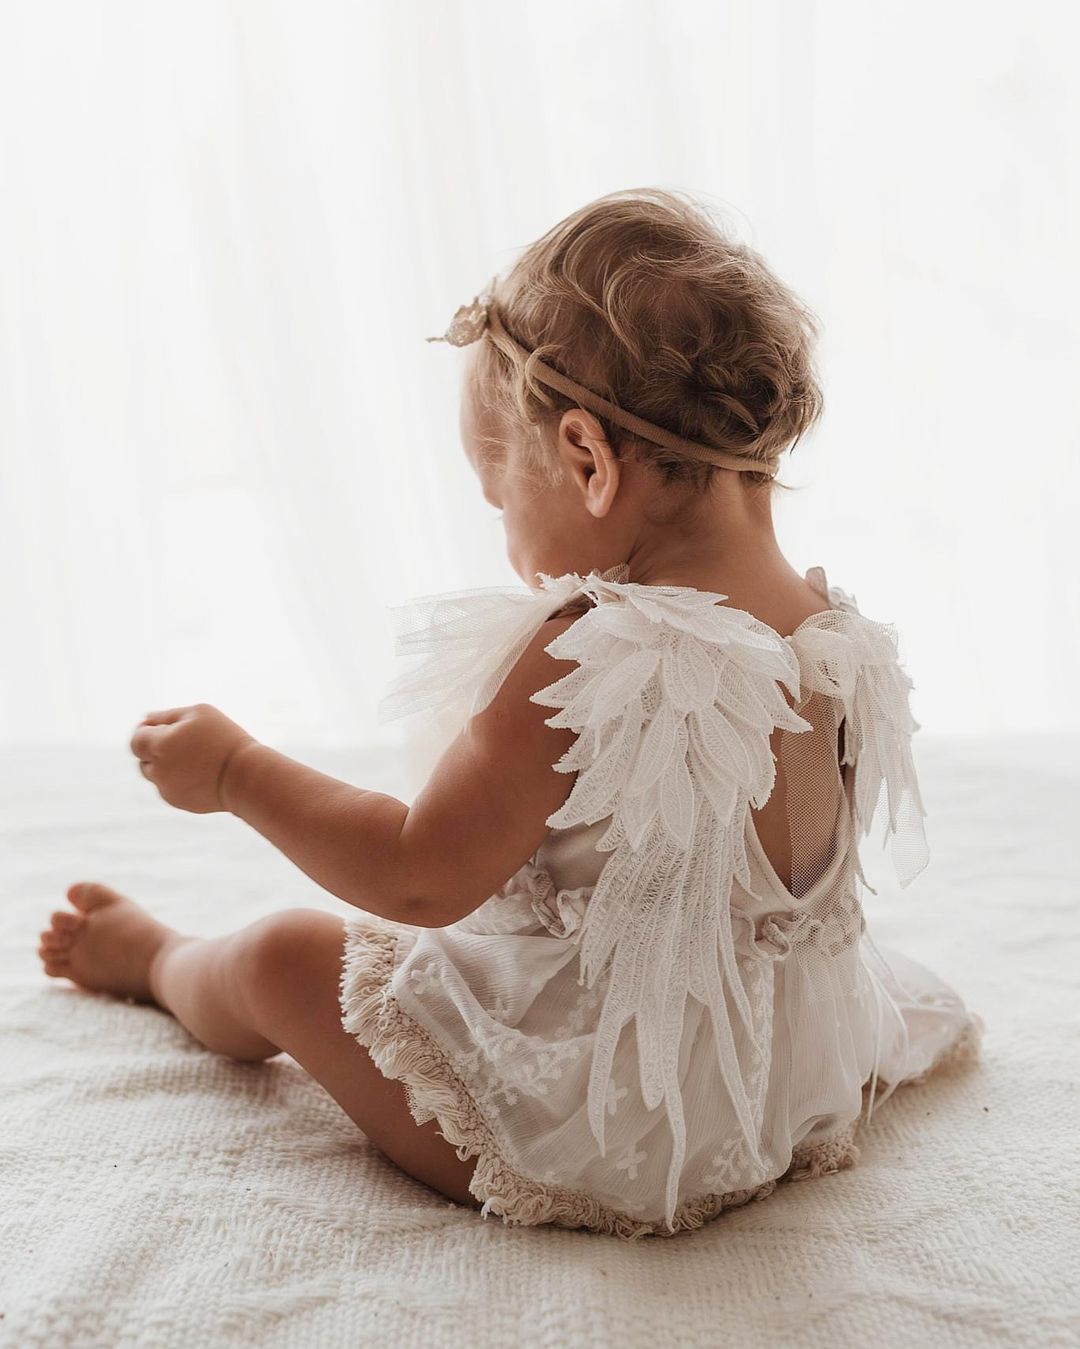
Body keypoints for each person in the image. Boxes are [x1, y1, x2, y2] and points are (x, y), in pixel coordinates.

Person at [36, 187, 984, 1240]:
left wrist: (236, 772)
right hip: (789, 1084)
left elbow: (419, 873)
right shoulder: (834, 634)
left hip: (618, 1129)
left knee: (281, 958)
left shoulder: (596, 653)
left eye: (501, 498)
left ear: (585, 460)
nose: (505, 535)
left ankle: (162, 961)